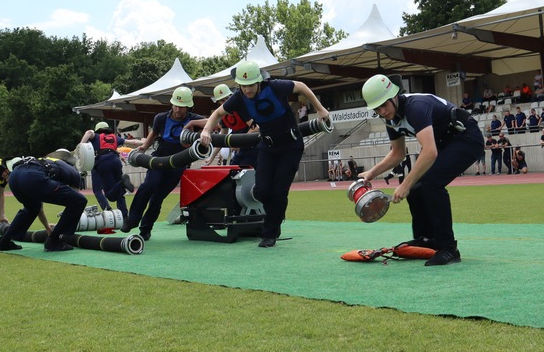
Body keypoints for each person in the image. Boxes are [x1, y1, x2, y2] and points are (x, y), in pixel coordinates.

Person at [357, 74, 483, 266]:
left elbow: (430, 151)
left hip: (466, 137)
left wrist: (405, 184)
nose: (382, 111)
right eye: (376, 108)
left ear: (394, 96)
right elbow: (398, 153)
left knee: (431, 184)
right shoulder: (391, 119)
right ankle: (426, 240)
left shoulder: (416, 107)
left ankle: (448, 248)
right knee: (416, 188)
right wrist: (372, 172)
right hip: (444, 142)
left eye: (384, 105)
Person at [200, 61, 330, 248]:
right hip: (267, 147)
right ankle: (276, 215)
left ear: (259, 81)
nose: (247, 90)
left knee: (278, 191)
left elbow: (301, 86)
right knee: (261, 191)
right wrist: (206, 130)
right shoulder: (239, 97)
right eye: (243, 86)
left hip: (290, 146)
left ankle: (270, 233)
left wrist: (319, 108)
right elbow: (217, 113)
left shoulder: (275, 87)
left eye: (251, 85)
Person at [124, 86, 207, 241]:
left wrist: (195, 122)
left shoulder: (194, 119)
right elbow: (153, 134)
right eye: (176, 105)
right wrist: (143, 148)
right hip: (159, 159)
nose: (178, 109)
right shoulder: (160, 118)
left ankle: (146, 229)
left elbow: (215, 123)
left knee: (158, 198)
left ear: (188, 106)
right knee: (148, 186)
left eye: (182, 107)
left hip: (178, 164)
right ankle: (132, 219)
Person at [0, 150, 87, 253]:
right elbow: (74, 198)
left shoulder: (47, 161)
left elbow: (39, 207)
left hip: (14, 177)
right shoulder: (73, 172)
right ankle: (54, 241)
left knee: (32, 208)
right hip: (31, 177)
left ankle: (4, 242)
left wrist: (47, 227)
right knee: (79, 201)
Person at [78, 121, 131, 219]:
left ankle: (107, 209)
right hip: (114, 160)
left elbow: (91, 139)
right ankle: (124, 215)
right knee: (119, 190)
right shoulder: (113, 138)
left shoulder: (96, 137)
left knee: (98, 190)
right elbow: (111, 148)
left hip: (98, 164)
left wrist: (80, 146)